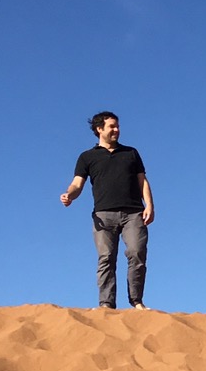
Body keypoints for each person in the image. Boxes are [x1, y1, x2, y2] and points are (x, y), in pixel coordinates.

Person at [61, 112, 154, 309]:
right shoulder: (87, 157)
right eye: (112, 126)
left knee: (137, 253)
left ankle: (137, 301)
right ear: (99, 129)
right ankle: (106, 304)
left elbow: (142, 181)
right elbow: (77, 184)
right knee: (106, 258)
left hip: (133, 213)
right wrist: (69, 195)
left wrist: (150, 205)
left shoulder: (131, 153)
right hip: (103, 215)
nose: (116, 130)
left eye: (117, 126)